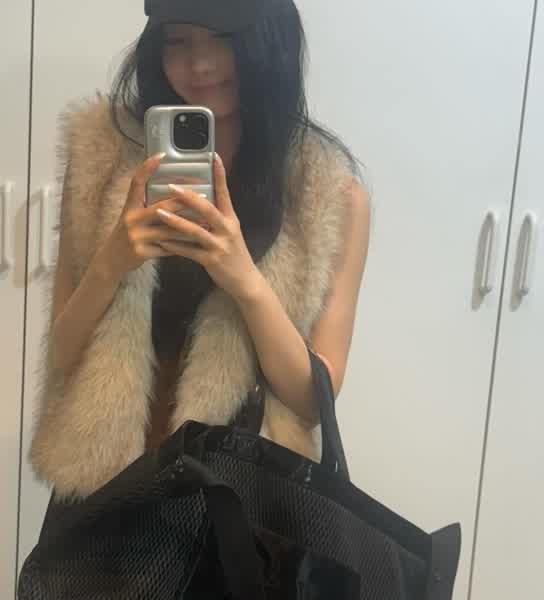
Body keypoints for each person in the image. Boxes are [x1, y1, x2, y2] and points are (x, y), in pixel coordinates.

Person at [29, 0, 371, 507]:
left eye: (225, 39)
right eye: (178, 41)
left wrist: (243, 279)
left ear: (270, 42)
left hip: (235, 503)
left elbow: (311, 400)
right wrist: (112, 262)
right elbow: (62, 354)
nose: (201, 64)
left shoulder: (327, 194)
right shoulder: (102, 156)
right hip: (105, 495)